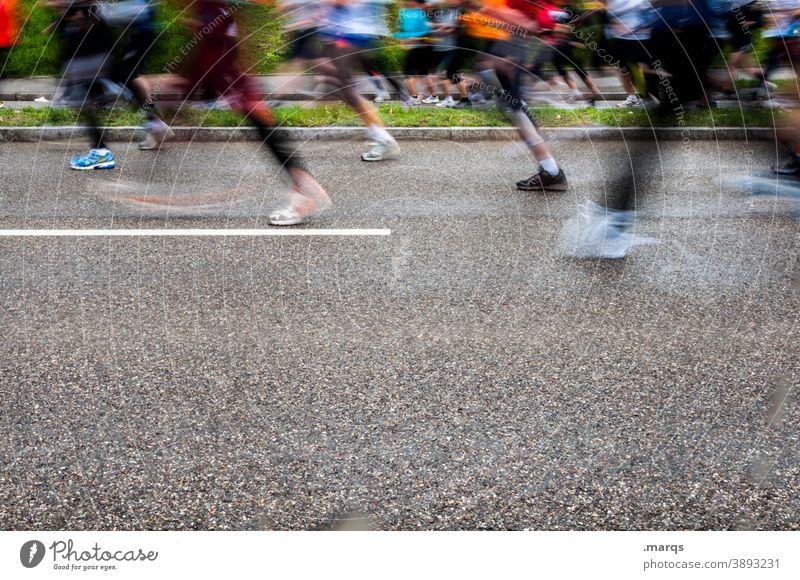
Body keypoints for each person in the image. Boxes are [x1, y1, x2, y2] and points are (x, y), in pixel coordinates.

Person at [179, 0, 330, 225]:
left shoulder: (211, 10)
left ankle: (305, 194)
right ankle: (304, 191)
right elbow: (223, 39)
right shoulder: (212, 8)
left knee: (267, 130)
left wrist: (190, 88)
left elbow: (215, 46)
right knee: (267, 131)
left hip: (232, 79)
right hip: (233, 77)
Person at [463, 0, 569, 191]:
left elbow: (528, 21)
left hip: (510, 45)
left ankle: (551, 171)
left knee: (515, 108)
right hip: (505, 44)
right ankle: (549, 168)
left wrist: (484, 9)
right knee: (514, 107)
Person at [316, 0, 401, 161]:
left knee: (346, 91)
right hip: (351, 36)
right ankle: (380, 136)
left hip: (352, 37)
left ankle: (383, 138)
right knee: (343, 90)